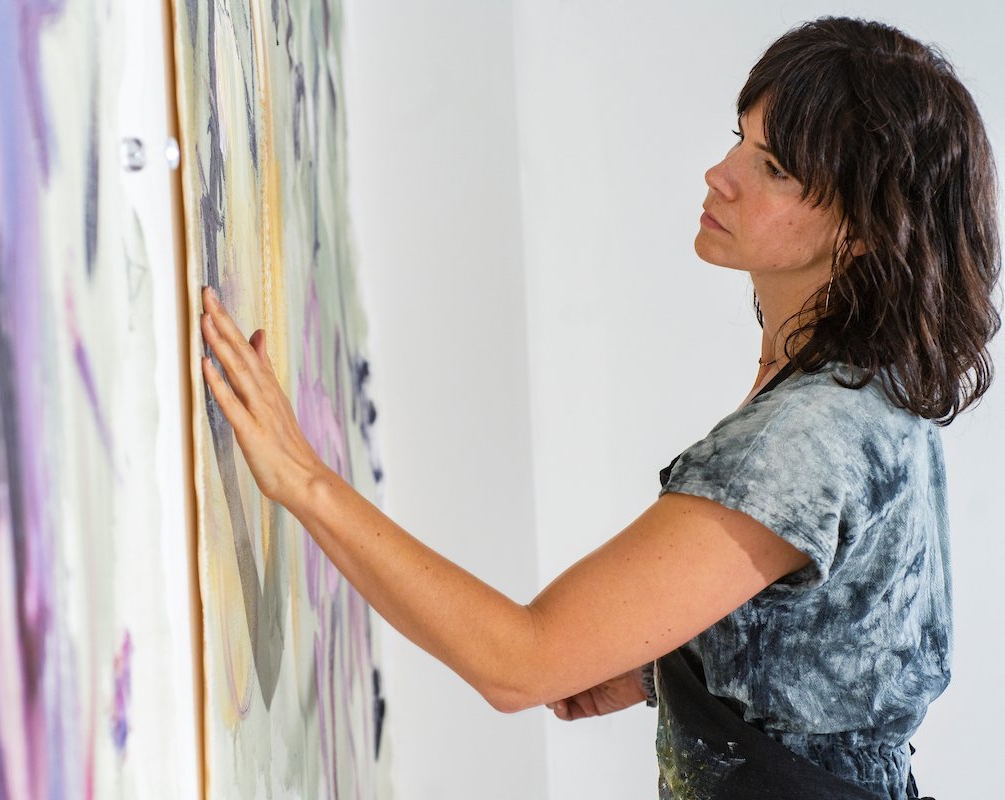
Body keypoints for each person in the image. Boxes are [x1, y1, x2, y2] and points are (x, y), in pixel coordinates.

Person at [198, 16, 999, 800]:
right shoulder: (875, 399)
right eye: (740, 141)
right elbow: (851, 645)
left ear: (863, 230)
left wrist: (303, 480)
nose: (721, 174)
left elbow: (520, 662)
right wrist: (675, 665)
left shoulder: (806, 440)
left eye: (774, 167)